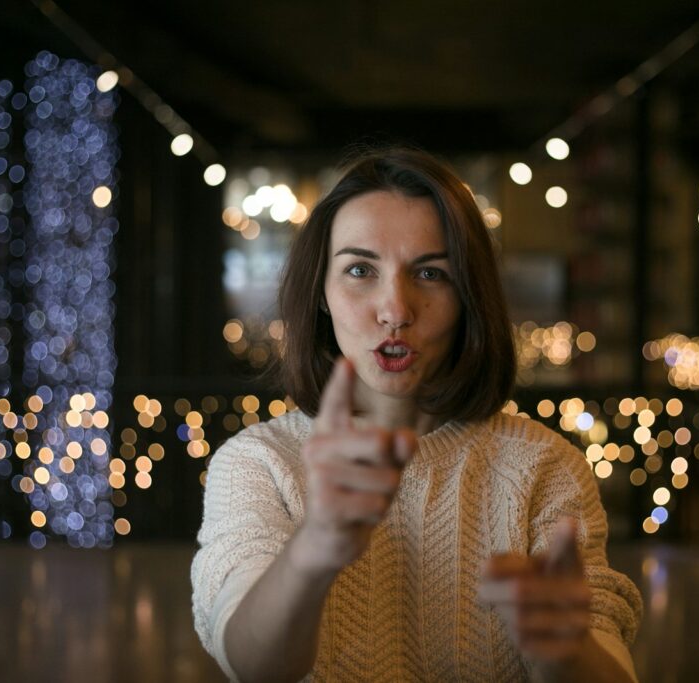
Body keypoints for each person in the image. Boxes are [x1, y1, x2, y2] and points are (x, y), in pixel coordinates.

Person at [191, 147, 642, 682]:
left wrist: (565, 652)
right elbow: (252, 662)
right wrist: (313, 550)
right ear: (321, 292)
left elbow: (608, 658)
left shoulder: (543, 467)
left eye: (430, 273)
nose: (396, 311)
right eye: (360, 269)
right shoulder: (259, 462)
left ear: (468, 295)